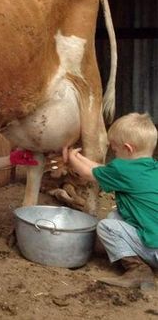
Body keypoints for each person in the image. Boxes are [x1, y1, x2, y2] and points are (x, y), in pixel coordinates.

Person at [65, 112, 158, 290]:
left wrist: (70, 158)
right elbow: (103, 170)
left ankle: (137, 271)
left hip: (154, 249)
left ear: (128, 149)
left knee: (107, 226)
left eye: (114, 150)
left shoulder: (123, 169)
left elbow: (88, 174)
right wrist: (79, 157)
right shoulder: (151, 167)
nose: (114, 155)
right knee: (116, 215)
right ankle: (124, 252)